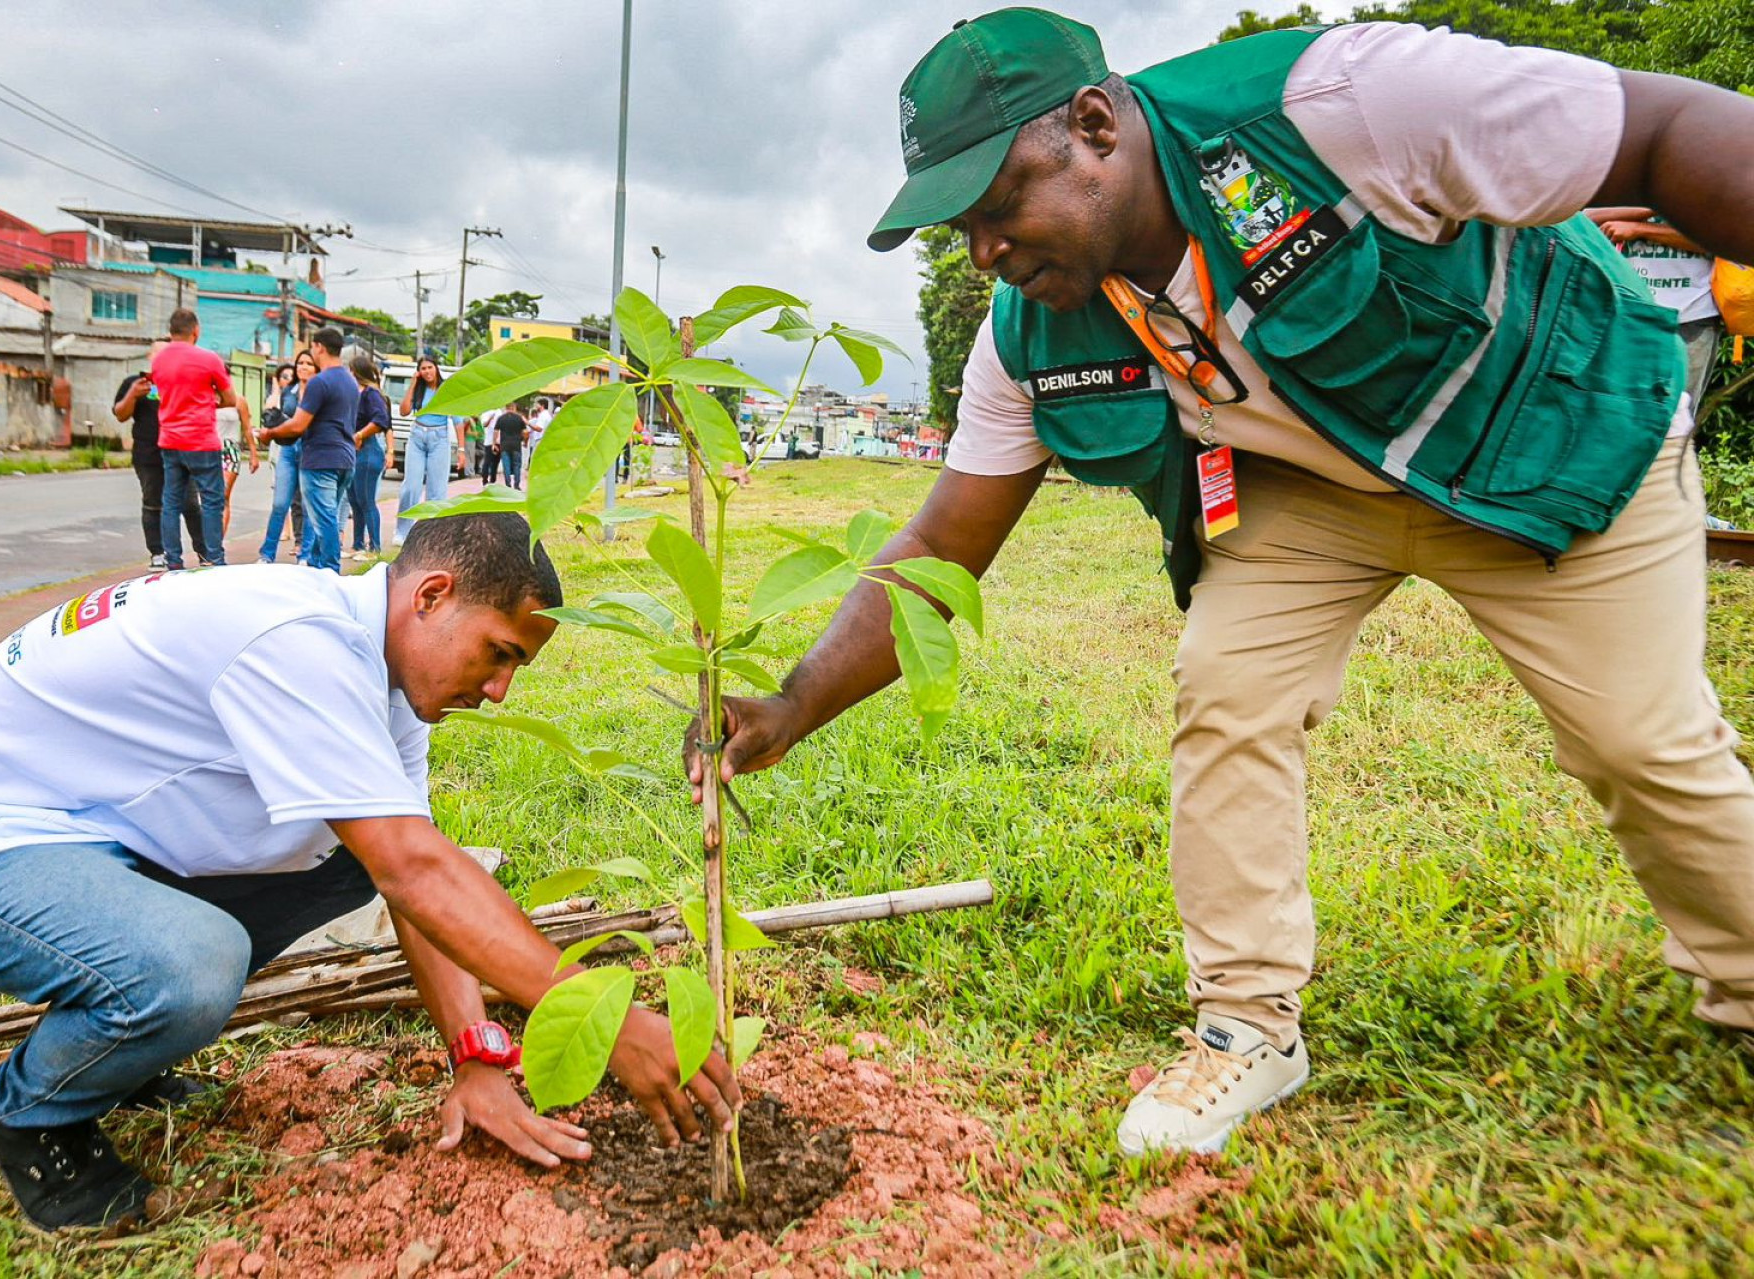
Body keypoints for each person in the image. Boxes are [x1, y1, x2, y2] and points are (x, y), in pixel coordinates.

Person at [689, 10, 1754, 1159]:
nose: (984, 252)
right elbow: (943, 543)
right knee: (1227, 691)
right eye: (963, 230)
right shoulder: (1026, 336)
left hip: (1555, 425)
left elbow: (1666, 129)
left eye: (998, 206)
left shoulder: (1342, 103)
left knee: (1640, 741)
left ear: (1094, 126)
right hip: (1315, 494)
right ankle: (1246, 1025)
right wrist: (793, 702)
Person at [0, 512, 740, 1231]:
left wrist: (477, 1057)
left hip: (79, 836)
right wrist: (604, 1020)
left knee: (352, 857)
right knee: (190, 966)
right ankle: (33, 1114)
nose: (500, 690)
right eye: (500, 652)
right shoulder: (295, 639)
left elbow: (409, 874)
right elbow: (417, 873)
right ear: (432, 595)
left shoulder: (381, 680)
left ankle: (120, 1045)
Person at [1587, 206, 1724, 408]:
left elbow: (1719, 241)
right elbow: (1583, 217)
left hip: (1690, 316)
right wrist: (1653, 202)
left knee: (1677, 412)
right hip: (1627, 315)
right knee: (1617, 409)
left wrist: (1640, 229)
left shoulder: (1706, 190)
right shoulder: (1620, 186)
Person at [261, 328, 356, 572]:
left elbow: (298, 424)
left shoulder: (320, 382)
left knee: (324, 521)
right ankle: (314, 568)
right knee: (322, 517)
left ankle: (330, 571)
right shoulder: (349, 381)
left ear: (319, 347)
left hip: (320, 459)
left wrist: (270, 433)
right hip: (345, 459)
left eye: (313, 347)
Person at [149, 309, 236, 569]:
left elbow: (160, 394)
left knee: (171, 502)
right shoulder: (208, 359)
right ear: (196, 331)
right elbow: (230, 398)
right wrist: (210, 401)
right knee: (211, 501)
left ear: (171, 331)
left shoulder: (158, 361)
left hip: (170, 439)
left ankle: (173, 561)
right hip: (201, 440)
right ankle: (214, 558)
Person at [113, 344, 206, 572]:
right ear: (150, 356)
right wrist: (133, 394)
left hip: (181, 451)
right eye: (159, 352)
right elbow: (120, 414)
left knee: (190, 504)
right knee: (153, 502)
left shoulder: (182, 381)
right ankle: (157, 552)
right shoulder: (135, 383)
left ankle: (204, 551)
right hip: (149, 454)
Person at [259, 351, 318, 565]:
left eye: (309, 363)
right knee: (280, 503)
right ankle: (267, 554)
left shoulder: (320, 391)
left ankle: (305, 555)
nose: (303, 367)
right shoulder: (289, 392)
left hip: (311, 450)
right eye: (300, 363)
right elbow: (276, 412)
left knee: (308, 506)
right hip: (287, 450)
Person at [395, 354, 456, 544]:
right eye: (423, 369)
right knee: (411, 487)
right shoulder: (419, 389)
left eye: (430, 367)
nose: (427, 371)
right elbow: (404, 411)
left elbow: (459, 420)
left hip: (440, 438)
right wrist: (413, 384)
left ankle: (433, 534)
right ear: (419, 372)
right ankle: (402, 531)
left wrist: (462, 450)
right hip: (417, 436)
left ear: (436, 368)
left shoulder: (445, 389)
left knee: (437, 490)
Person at [349, 354, 389, 560]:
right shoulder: (355, 393)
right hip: (353, 453)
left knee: (366, 501)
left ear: (356, 372)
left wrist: (360, 435)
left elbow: (382, 420)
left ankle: (374, 548)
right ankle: (358, 544)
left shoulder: (371, 394)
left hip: (368, 451)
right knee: (355, 501)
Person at [215, 393, 259, 542]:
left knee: (223, 495)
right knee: (208, 498)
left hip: (229, 449)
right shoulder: (205, 396)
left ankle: (217, 541)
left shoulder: (238, 400)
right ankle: (208, 539)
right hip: (209, 448)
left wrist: (253, 453)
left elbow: (247, 428)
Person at [493, 401, 528, 489]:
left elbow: (496, 431)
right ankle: (516, 485)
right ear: (514, 408)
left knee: (506, 465)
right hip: (516, 445)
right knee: (517, 465)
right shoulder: (519, 418)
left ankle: (508, 484)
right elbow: (525, 432)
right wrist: (525, 442)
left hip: (504, 445)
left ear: (506, 408)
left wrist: (494, 443)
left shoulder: (501, 418)